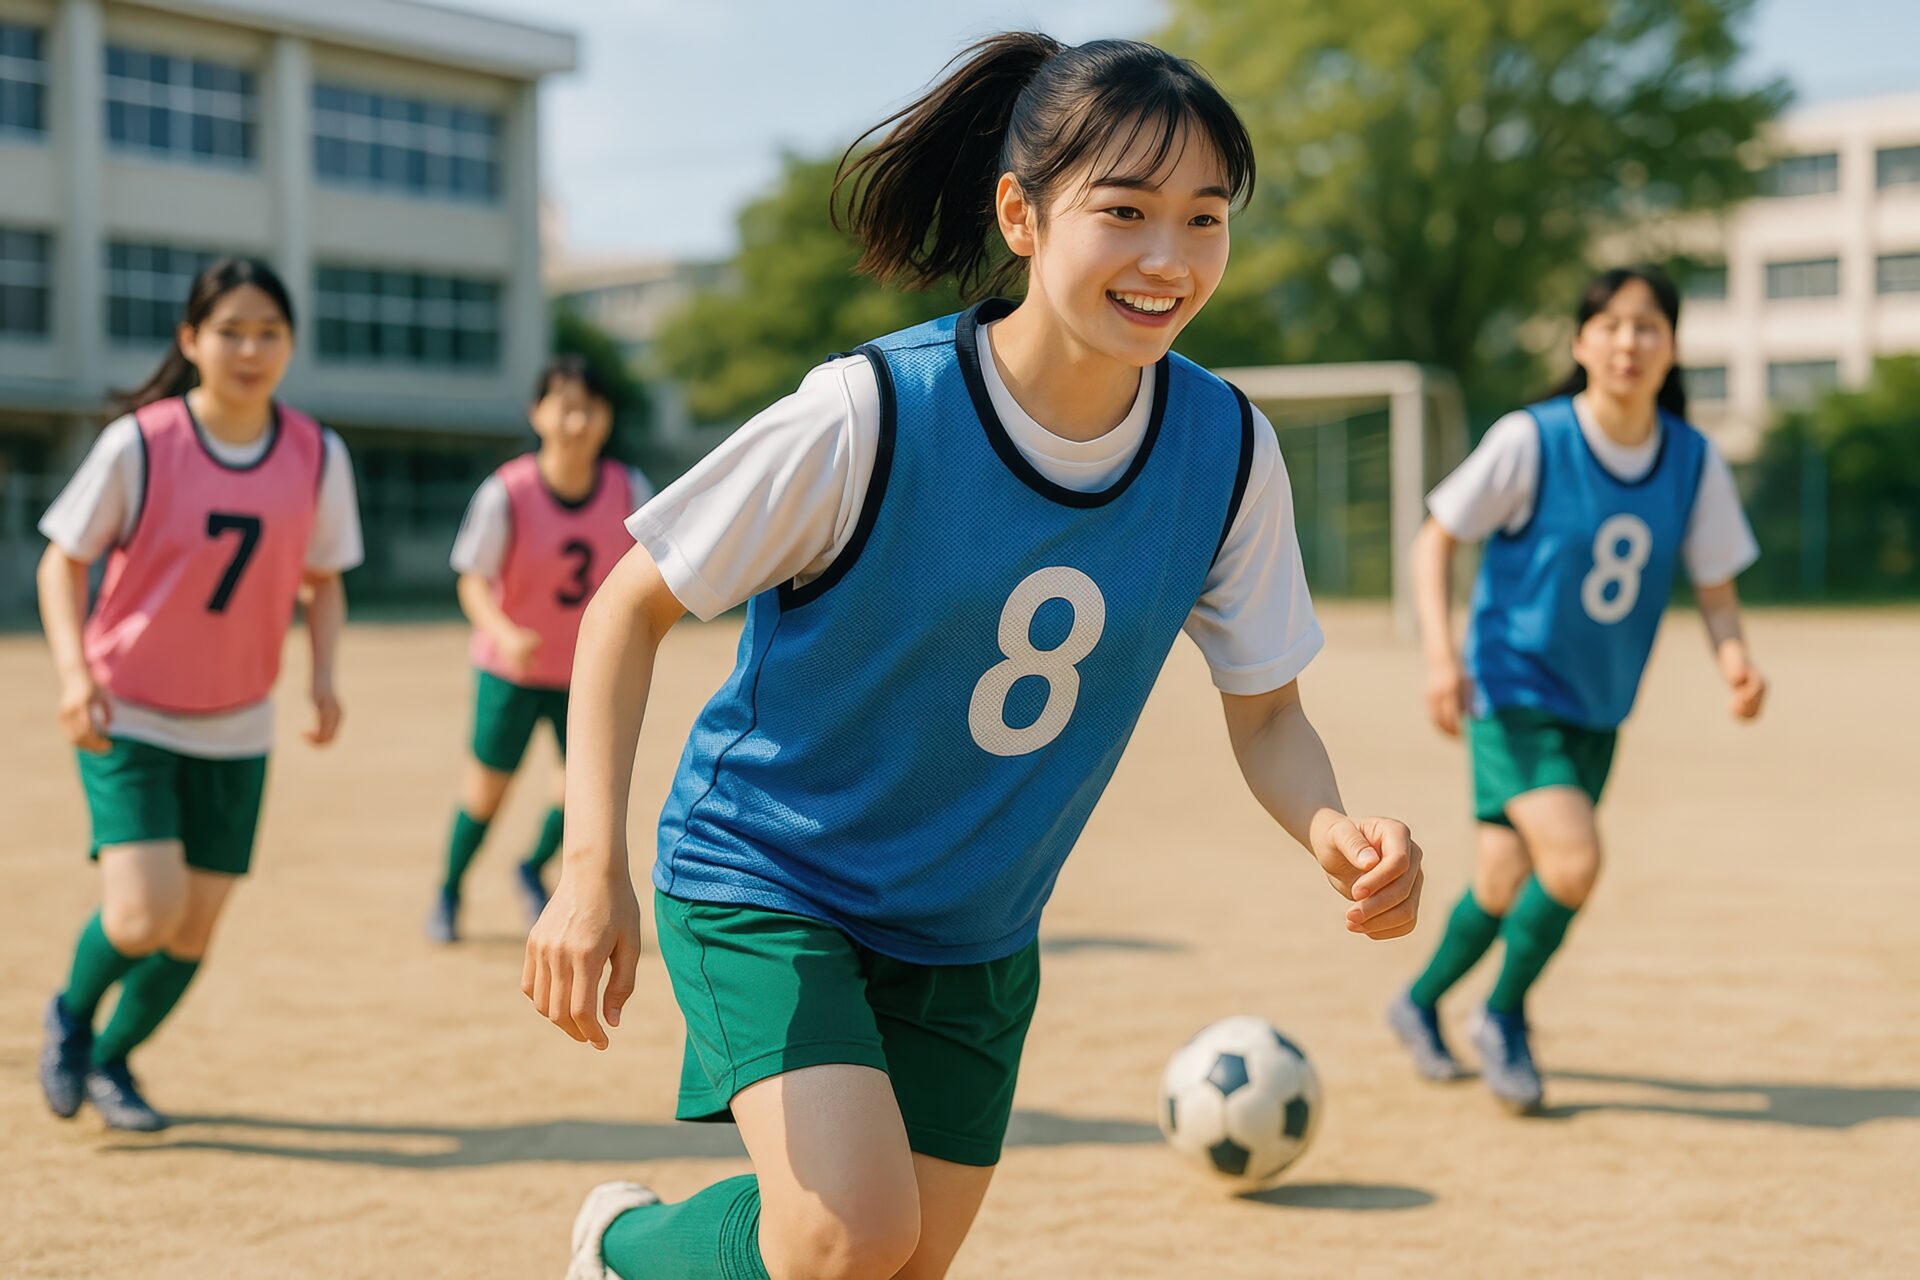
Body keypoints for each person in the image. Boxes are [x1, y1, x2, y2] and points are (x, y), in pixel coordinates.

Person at [529, 34, 1423, 1280]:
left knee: (898, 1264)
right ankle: (622, 1247)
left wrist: (1330, 825)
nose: (1169, 258)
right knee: (847, 1235)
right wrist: (589, 873)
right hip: (772, 874)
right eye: (1124, 211)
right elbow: (626, 607)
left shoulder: (1225, 452)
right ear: (1023, 212)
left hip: (976, 925)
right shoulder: (871, 415)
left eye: (1204, 219)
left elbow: (1268, 714)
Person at [1387, 265, 1766, 1112]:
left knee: (1499, 883)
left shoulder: (1691, 461)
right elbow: (1435, 537)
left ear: (1671, 349)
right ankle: (1503, 1014)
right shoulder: (1534, 439)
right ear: (1580, 342)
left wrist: (1734, 660)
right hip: (1514, 692)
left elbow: (1714, 585)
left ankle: (1415, 1003)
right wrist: (1440, 657)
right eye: (1612, 324)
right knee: (1575, 859)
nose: (1629, 341)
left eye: (1649, 327)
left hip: (1600, 708)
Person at [35, 257, 364, 1131]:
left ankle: (113, 1062)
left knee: (192, 932)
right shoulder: (140, 443)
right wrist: (74, 673)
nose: (250, 349)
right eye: (230, 330)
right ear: (191, 340)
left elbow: (323, 578)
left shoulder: (315, 451)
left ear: (291, 345)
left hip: (237, 722)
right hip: (129, 712)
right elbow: (61, 561)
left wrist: (323, 674)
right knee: (144, 913)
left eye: (269, 332)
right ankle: (70, 1016)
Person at [429, 355, 652, 942]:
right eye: (565, 406)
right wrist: (503, 632)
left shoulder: (629, 489)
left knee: (579, 791)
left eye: (590, 408)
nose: (577, 422)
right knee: (485, 793)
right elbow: (471, 578)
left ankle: (530, 868)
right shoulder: (508, 492)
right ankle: (448, 890)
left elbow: (650, 571)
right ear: (538, 413)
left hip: (588, 673)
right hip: (511, 673)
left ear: (606, 417)